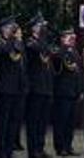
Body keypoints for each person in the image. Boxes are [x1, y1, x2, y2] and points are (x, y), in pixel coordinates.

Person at [0, 20, 24, 158]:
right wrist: (11, 38)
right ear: (3, 29)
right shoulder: (0, 43)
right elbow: (4, 51)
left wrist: (15, 39)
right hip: (5, 87)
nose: (13, 31)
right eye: (10, 28)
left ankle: (9, 149)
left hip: (17, 87)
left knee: (14, 120)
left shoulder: (16, 42)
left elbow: (20, 51)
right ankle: (1, 150)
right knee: (3, 121)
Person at [20, 19, 51, 158]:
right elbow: (37, 50)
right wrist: (42, 40)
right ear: (34, 28)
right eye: (41, 26)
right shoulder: (30, 42)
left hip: (45, 86)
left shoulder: (43, 42)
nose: (43, 28)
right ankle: (33, 150)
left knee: (43, 121)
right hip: (35, 87)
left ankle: (40, 147)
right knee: (33, 121)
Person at [48, 30, 80, 158]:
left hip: (73, 91)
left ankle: (68, 145)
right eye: (68, 37)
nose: (71, 39)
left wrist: (79, 89)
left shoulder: (75, 52)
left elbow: (78, 72)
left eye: (72, 38)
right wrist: (64, 47)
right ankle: (60, 147)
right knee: (61, 121)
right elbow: (57, 60)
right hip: (62, 92)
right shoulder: (59, 51)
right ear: (62, 39)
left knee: (70, 122)